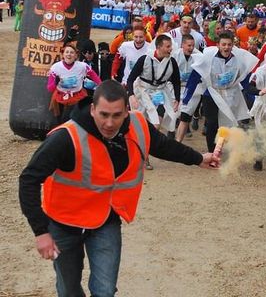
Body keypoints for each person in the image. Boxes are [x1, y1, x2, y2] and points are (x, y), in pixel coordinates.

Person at [19, 80, 219, 297]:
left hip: (105, 220)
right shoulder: (66, 137)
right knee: (69, 290)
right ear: (93, 109)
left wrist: (199, 158)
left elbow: (163, 146)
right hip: (64, 224)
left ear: (127, 111)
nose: (109, 123)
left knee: (105, 290)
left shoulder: (138, 125)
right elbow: (29, 179)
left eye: (116, 115)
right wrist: (41, 232)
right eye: (104, 114)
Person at [181, 32, 258, 152]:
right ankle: (212, 152)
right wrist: (186, 98)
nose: (226, 47)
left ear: (233, 45)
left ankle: (220, 147)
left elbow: (245, 81)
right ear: (218, 45)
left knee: (226, 125)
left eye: (229, 44)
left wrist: (256, 94)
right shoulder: (208, 58)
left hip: (230, 94)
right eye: (223, 44)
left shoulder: (238, 60)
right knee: (212, 123)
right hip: (211, 94)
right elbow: (195, 77)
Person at [128, 35, 180, 139]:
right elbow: (131, 78)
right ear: (159, 47)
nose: (171, 49)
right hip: (142, 92)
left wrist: (177, 99)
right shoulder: (144, 59)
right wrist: (131, 95)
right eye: (168, 46)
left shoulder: (172, 62)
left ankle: (149, 143)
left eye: (171, 46)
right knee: (139, 123)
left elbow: (176, 81)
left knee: (156, 124)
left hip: (161, 92)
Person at [47, 44, 102, 122]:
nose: (69, 54)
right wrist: (55, 82)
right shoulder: (55, 68)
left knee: (73, 120)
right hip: (60, 98)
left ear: (76, 56)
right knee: (60, 121)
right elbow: (50, 88)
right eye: (67, 52)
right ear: (63, 54)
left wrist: (101, 86)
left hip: (77, 97)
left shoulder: (82, 66)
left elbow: (94, 76)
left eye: (72, 52)